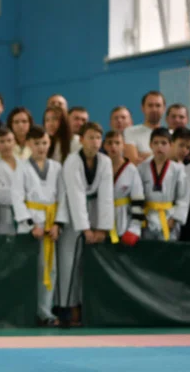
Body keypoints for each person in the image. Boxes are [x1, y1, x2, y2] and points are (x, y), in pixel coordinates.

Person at [12, 125, 68, 327]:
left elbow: (63, 197)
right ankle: (27, 311)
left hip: (50, 225)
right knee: (29, 269)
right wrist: (30, 224)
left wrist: (58, 224)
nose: (41, 147)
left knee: (50, 270)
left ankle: (46, 312)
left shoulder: (57, 167)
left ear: (49, 143)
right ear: (29, 144)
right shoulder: (22, 167)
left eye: (44, 142)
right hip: (31, 227)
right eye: (36, 143)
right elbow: (17, 198)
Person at [59, 122, 113, 327]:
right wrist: (85, 228)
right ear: (81, 140)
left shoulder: (105, 161)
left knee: (88, 265)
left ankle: (85, 308)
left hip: (95, 210)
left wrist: (102, 227)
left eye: (98, 138)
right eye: (90, 137)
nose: (95, 142)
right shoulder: (72, 161)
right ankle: (65, 308)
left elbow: (107, 195)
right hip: (72, 214)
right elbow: (75, 194)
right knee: (68, 262)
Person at [137, 128, 190, 241]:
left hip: (169, 218)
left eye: (163, 143)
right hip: (147, 218)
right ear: (150, 145)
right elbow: (137, 195)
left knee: (168, 255)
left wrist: (174, 219)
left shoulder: (178, 169)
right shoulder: (141, 168)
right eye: (156, 143)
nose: (159, 146)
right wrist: (140, 218)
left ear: (170, 145)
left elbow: (184, 198)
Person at [102, 131, 144, 246]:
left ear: (123, 146)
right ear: (104, 146)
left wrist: (134, 228)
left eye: (117, 143)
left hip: (125, 223)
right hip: (103, 224)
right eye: (109, 143)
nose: (113, 146)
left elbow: (138, 201)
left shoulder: (131, 170)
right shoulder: (100, 168)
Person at [0, 127, 22, 235]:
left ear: (14, 142)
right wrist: (23, 193)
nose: (6, 145)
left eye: (9, 140)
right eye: (2, 141)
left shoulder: (25, 165)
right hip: (6, 218)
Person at [124, 91, 166, 164]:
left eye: (158, 105)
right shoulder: (130, 131)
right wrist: (162, 155)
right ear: (143, 108)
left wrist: (144, 155)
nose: (154, 109)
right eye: (150, 105)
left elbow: (173, 161)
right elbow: (133, 161)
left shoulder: (169, 133)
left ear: (164, 109)